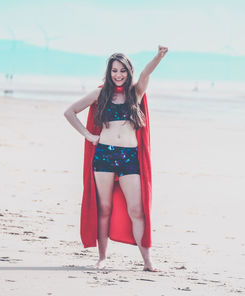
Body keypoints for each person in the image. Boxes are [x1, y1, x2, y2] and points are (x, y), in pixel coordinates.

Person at [64, 45, 168, 271]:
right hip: (104, 155)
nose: (118, 75)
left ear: (128, 71)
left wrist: (159, 56)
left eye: (122, 70)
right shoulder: (100, 93)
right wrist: (88, 135)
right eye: (114, 71)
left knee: (136, 210)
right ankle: (102, 257)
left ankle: (148, 261)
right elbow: (69, 112)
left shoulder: (136, 92)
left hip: (129, 157)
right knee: (104, 208)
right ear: (109, 72)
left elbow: (146, 74)